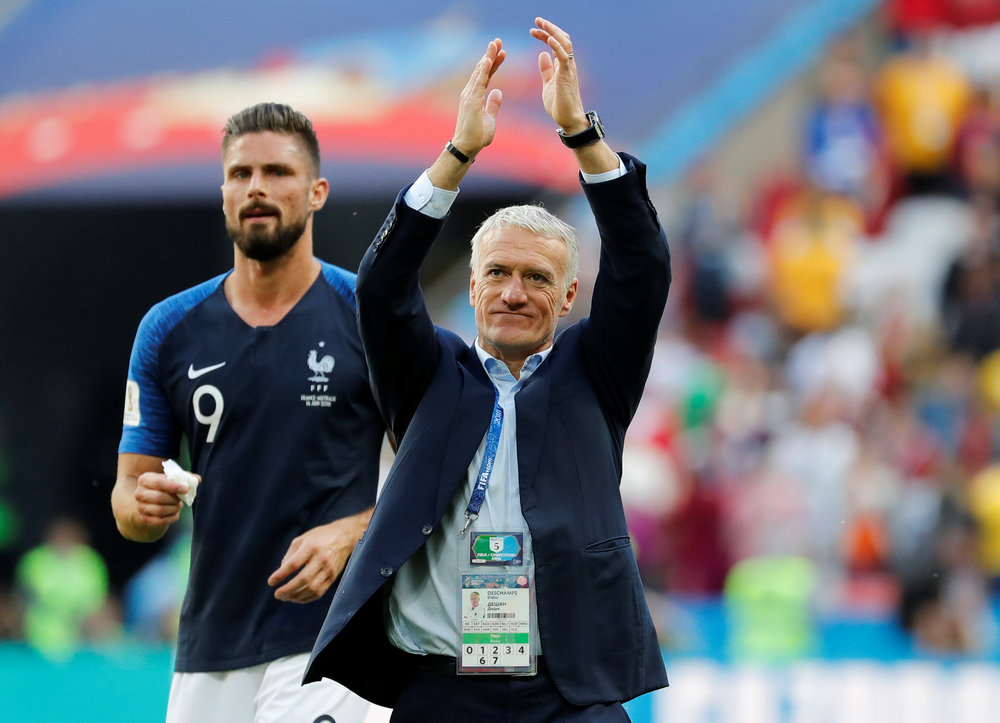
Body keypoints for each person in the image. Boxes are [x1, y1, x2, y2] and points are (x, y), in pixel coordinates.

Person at [305, 18, 670, 721]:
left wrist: (580, 136)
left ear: (569, 296)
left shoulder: (595, 373)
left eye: (536, 278)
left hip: (569, 693)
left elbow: (644, 266)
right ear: (470, 287)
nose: (512, 291)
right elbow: (382, 288)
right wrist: (458, 151)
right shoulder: (428, 374)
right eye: (496, 272)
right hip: (442, 689)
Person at [111, 102, 385, 723]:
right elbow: (129, 495)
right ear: (224, 192)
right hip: (210, 640)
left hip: (332, 642)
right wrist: (142, 505)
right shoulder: (168, 329)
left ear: (317, 192)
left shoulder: (369, 318)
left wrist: (349, 533)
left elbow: (436, 471)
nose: (256, 187)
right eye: (240, 174)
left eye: (277, 172)